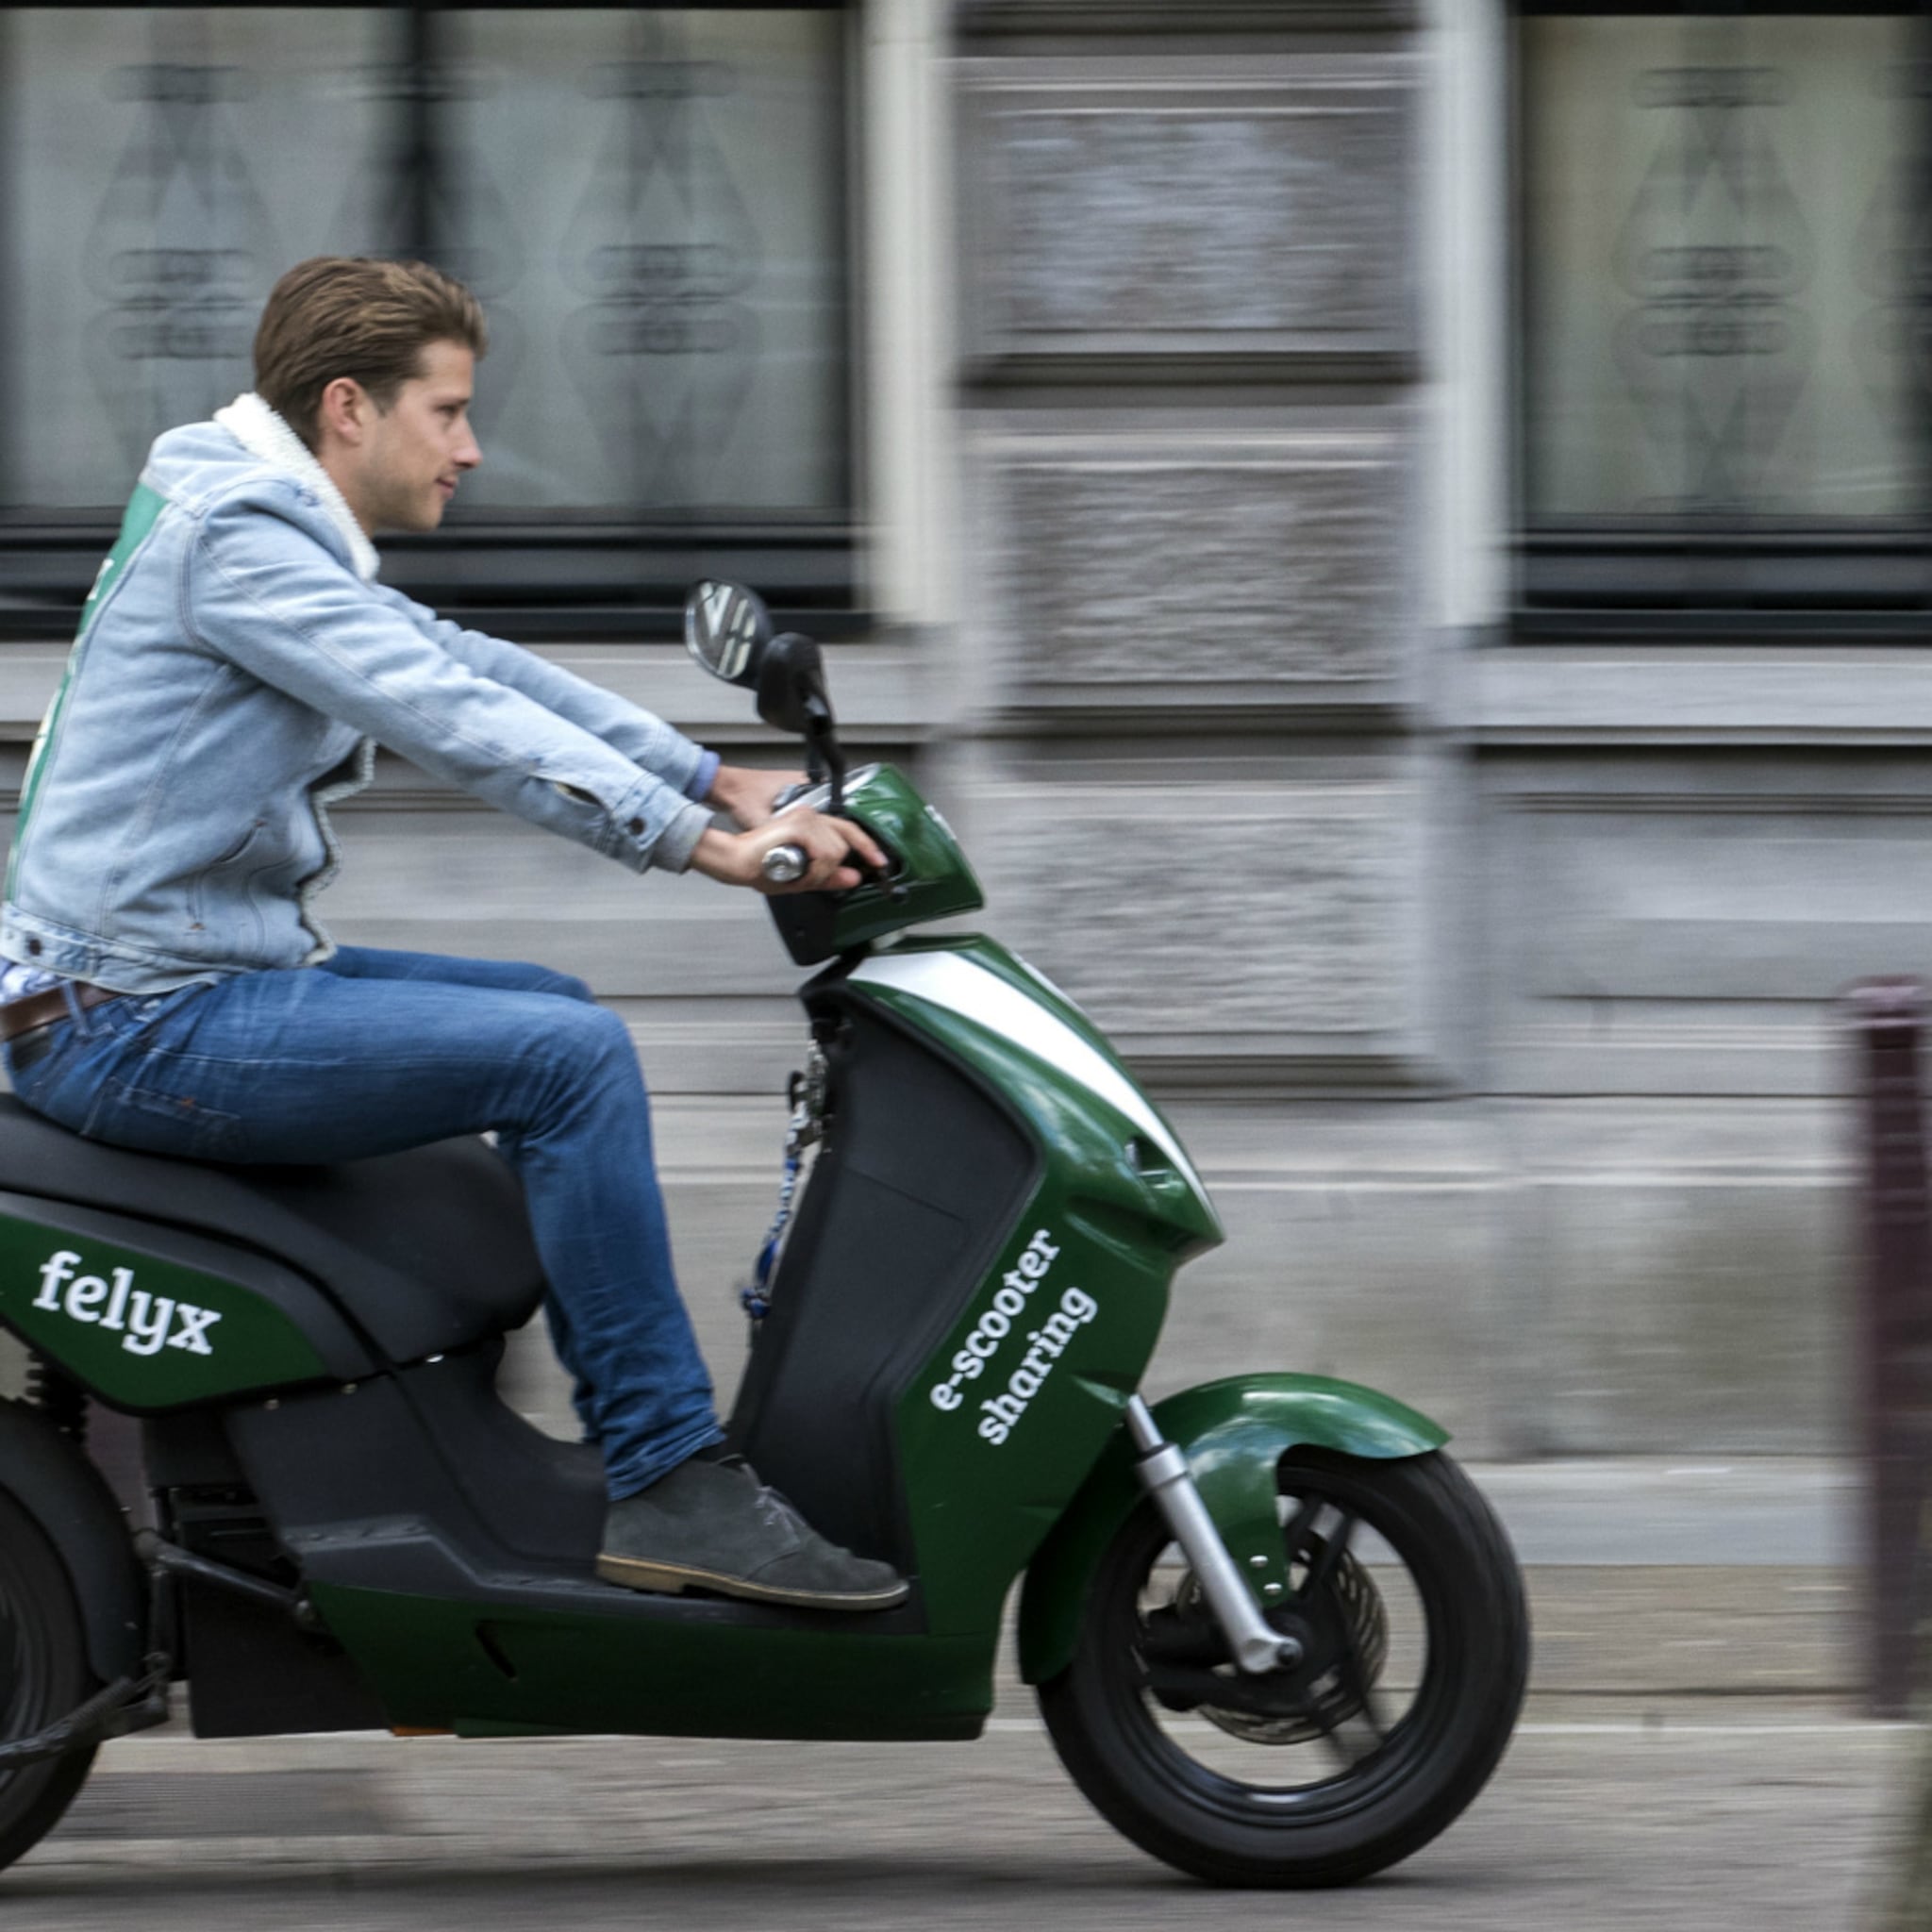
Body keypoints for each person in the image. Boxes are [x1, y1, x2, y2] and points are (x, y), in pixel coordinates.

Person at [0, 256, 907, 1612]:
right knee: (570, 1057)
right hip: (130, 1016)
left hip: (174, 977)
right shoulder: (240, 539)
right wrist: (697, 844)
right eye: (450, 412)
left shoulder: (256, 517)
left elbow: (464, 659)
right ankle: (666, 1475)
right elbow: (441, 712)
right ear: (350, 409)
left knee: (542, 1006)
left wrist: (706, 774)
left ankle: (476, 1452)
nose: (473, 449)